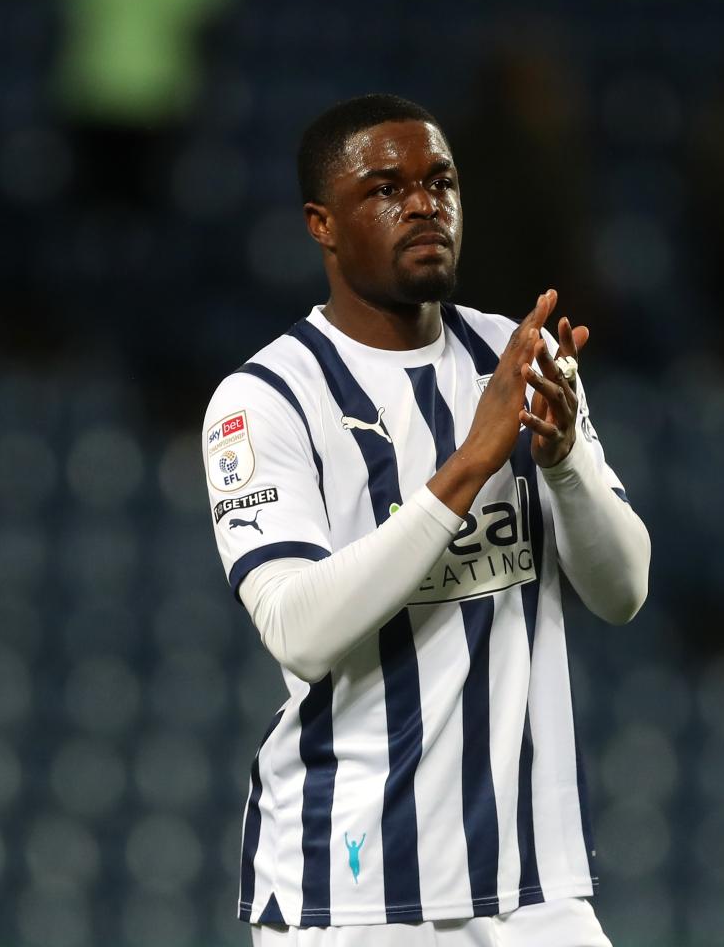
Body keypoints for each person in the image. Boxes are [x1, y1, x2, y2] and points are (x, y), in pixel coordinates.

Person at [201, 93, 651, 947]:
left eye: (440, 182)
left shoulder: (520, 359)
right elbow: (297, 628)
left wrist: (563, 466)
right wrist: (469, 468)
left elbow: (624, 590)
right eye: (385, 188)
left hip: (532, 885)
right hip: (354, 886)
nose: (422, 204)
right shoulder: (265, 401)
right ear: (321, 224)